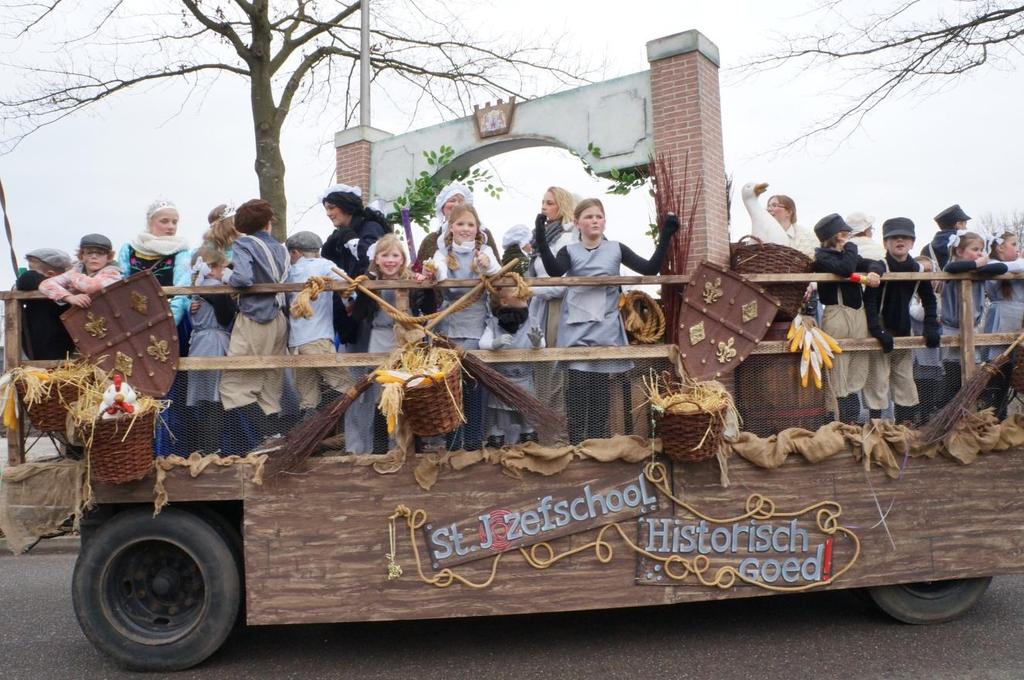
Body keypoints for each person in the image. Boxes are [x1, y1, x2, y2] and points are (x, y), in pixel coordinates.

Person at [535, 198, 679, 444]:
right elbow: (556, 271)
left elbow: (649, 269)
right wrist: (540, 233)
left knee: (600, 390)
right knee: (578, 389)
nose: (594, 221)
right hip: (576, 330)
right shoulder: (568, 251)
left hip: (605, 328)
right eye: (589, 217)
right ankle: (578, 445)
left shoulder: (616, 248)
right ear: (578, 222)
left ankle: (598, 444)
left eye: (598, 216)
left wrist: (666, 233)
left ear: (604, 221)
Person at [348, 234, 435, 453]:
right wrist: (365, 287)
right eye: (384, 255)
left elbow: (429, 309)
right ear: (376, 259)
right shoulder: (370, 284)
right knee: (382, 396)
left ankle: (414, 446)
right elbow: (357, 315)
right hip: (379, 340)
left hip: (407, 341)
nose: (390, 260)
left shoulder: (410, 281)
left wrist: (425, 286)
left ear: (402, 259)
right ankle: (380, 447)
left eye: (395, 255)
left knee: (410, 392)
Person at [423, 204, 500, 451]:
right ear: (451, 227)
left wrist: (487, 264)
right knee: (451, 387)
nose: (465, 229)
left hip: (477, 325)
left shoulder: (485, 250)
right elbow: (442, 275)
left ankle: (475, 440)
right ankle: (454, 441)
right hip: (450, 327)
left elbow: (497, 272)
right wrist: (435, 271)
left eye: (470, 224)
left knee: (474, 386)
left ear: (477, 228)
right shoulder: (442, 253)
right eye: (460, 224)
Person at [214, 199, 290, 442]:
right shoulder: (281, 248)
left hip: (255, 319)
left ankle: (267, 437)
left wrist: (224, 274)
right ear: (268, 223)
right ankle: (275, 438)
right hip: (279, 319)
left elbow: (244, 278)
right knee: (269, 385)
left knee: (234, 386)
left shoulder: (244, 243)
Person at [862, 218, 939, 424]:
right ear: (886, 243)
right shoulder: (881, 265)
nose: (900, 240)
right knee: (877, 379)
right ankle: (875, 426)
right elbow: (869, 302)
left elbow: (929, 300)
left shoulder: (918, 270)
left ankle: (906, 425)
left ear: (912, 243)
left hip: (904, 329)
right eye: (894, 237)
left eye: (905, 237)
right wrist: (877, 331)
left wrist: (931, 324)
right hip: (879, 329)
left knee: (904, 377)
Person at [811, 213, 883, 424]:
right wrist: (851, 248)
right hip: (836, 314)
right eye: (843, 234)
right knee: (839, 368)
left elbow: (876, 264)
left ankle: (851, 418)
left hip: (857, 314)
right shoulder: (822, 257)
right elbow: (846, 269)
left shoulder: (847, 255)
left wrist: (874, 272)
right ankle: (839, 419)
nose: (846, 238)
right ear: (833, 236)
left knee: (858, 364)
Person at [940, 230, 1022, 395]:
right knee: (956, 375)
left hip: (979, 326)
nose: (979, 253)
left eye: (980, 250)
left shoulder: (999, 266)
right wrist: (979, 264)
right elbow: (951, 267)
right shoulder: (967, 268)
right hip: (959, 327)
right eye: (975, 249)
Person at [284, 231, 351, 419]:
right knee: (345, 386)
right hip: (318, 339)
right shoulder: (324, 265)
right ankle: (343, 428)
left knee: (308, 397)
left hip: (296, 343)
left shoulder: (288, 272)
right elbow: (347, 283)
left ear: (295, 252)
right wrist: (350, 302)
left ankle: (311, 436)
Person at [479, 285, 544, 447]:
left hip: (524, 379)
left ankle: (528, 438)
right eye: (520, 298)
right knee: (500, 414)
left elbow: (542, 344)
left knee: (526, 412)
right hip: (501, 381)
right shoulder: (494, 323)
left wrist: (537, 342)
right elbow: (482, 343)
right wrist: (495, 343)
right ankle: (498, 440)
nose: (525, 301)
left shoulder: (532, 321)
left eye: (525, 298)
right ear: (504, 301)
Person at [186, 246, 236, 454]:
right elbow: (225, 317)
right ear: (214, 267)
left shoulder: (196, 289)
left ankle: (203, 446)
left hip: (199, 343)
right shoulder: (215, 287)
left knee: (206, 400)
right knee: (214, 398)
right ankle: (211, 448)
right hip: (214, 342)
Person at [116, 199, 192, 324]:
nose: (171, 226)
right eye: (164, 221)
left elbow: (182, 290)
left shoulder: (180, 252)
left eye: (175, 222)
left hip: (169, 319)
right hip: (133, 319)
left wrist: (169, 323)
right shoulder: (130, 249)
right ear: (150, 222)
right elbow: (120, 286)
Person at [979, 230, 1024, 417]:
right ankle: (995, 414)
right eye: (1013, 244)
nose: (1017, 248)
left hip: (1019, 317)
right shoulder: (992, 263)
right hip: (1001, 317)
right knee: (998, 367)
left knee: (1017, 366)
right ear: (1000, 247)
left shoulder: (1018, 266)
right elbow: (991, 268)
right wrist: (1017, 263)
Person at [414, 181, 500, 265]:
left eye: (461, 201)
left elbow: (498, 271)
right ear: (442, 207)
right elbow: (418, 273)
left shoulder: (484, 235)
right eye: (452, 200)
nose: (456, 205)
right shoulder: (431, 240)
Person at [16, 248, 75, 360]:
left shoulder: (69, 283)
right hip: (40, 349)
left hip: (59, 347)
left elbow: (27, 278)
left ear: (50, 274)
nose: (29, 273)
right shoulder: (31, 281)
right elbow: (26, 279)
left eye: (32, 270)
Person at [39, 234, 123, 306]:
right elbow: (45, 285)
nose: (94, 256)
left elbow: (92, 287)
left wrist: (72, 277)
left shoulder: (113, 272)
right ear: (82, 256)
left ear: (108, 257)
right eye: (89, 252)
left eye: (99, 253)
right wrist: (69, 297)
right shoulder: (77, 271)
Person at [766, 194, 817, 258]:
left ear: (789, 212)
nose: (768, 209)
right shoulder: (763, 234)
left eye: (774, 205)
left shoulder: (807, 236)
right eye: (768, 206)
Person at [922, 204, 971, 271]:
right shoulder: (965, 243)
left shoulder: (927, 248)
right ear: (958, 224)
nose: (966, 228)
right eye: (965, 224)